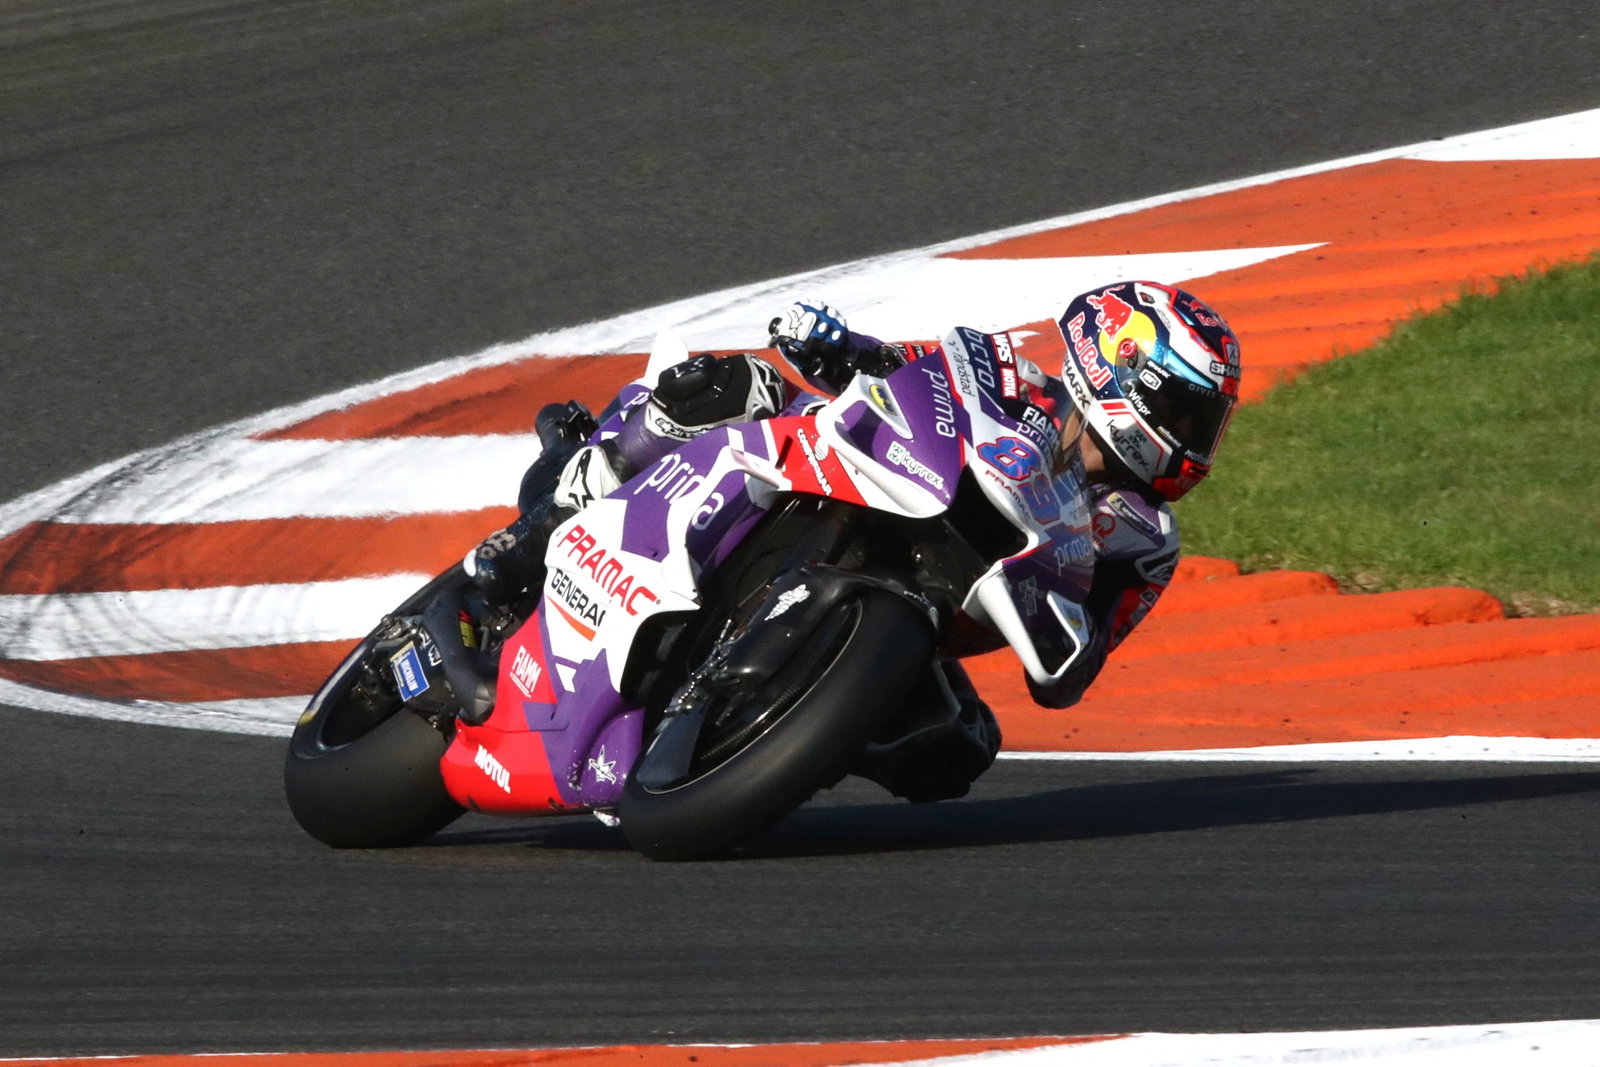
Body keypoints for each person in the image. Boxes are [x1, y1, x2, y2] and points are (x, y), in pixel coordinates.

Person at [467, 282, 1240, 801]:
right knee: (737, 388)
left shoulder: (1144, 539)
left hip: (933, 613)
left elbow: (1075, 666)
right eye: (1185, 411)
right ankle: (545, 522)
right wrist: (844, 349)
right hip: (848, 485)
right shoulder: (1012, 375)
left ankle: (765, 733)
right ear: (1124, 367)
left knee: (956, 752)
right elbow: (909, 376)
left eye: (1205, 424)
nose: (1192, 441)